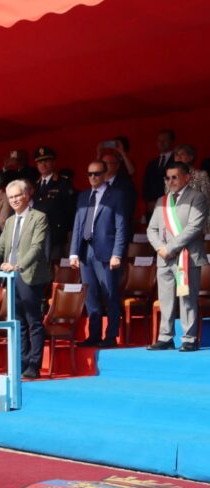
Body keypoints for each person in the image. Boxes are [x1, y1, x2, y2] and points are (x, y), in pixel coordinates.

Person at [0, 179, 51, 379]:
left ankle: (34, 364)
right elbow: (0, 248)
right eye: (11, 197)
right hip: (10, 278)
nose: (15, 200)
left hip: (29, 275)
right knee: (18, 322)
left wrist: (18, 265)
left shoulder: (39, 217)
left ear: (27, 195)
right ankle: (22, 362)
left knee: (33, 321)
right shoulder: (9, 221)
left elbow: (37, 247)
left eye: (18, 195)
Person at [146, 162, 208, 352]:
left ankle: (189, 339)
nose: (171, 181)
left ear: (187, 177)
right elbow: (151, 229)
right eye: (168, 177)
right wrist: (160, 248)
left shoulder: (197, 198)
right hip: (164, 259)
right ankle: (165, 337)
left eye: (175, 177)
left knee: (187, 298)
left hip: (186, 257)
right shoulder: (161, 201)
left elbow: (195, 227)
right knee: (165, 299)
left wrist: (171, 247)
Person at [69, 160, 129, 348]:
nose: (93, 178)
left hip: (107, 252)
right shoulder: (84, 196)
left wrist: (117, 253)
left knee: (110, 294)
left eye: (96, 174)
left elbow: (121, 227)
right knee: (91, 296)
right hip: (86, 251)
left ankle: (111, 336)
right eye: (89, 174)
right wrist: (73, 253)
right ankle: (94, 335)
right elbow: (78, 225)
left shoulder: (116, 195)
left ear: (105, 174)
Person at [32, 146, 77, 263]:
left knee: (55, 266)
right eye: (40, 162)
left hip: (56, 234)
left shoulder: (62, 182)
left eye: (46, 161)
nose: (43, 165)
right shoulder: (35, 185)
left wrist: (65, 232)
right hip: (38, 235)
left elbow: (70, 210)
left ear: (53, 162)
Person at [143, 129, 175, 216]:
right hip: (153, 207)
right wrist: (149, 201)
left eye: (165, 140)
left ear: (171, 141)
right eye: (159, 140)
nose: (161, 143)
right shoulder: (152, 163)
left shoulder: (176, 161)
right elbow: (146, 184)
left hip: (171, 205)